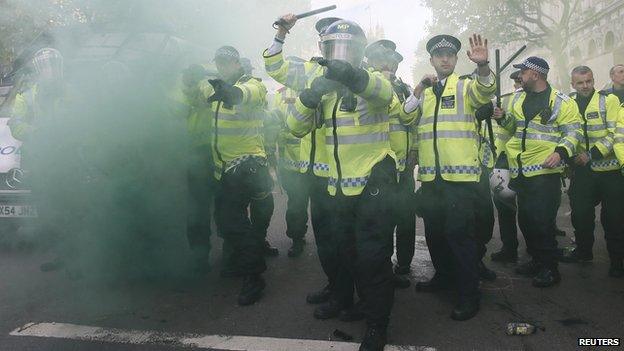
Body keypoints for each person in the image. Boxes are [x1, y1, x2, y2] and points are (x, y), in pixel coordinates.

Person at [288, 19, 397, 351]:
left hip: (373, 181)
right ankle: (350, 301)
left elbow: (382, 92)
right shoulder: (322, 89)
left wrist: (349, 75)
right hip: (337, 188)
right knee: (344, 252)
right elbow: (295, 127)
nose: (340, 56)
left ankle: (377, 326)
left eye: (347, 50)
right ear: (323, 51)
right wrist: (309, 96)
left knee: (373, 258)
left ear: (360, 53)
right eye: (334, 49)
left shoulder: (372, 80)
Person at [401, 34, 495, 321]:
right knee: (435, 235)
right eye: (439, 55)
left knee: (460, 237)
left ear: (456, 60)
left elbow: (485, 91)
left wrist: (482, 66)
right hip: (431, 179)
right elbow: (406, 116)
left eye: (450, 55)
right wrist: (418, 88)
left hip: (460, 180)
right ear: (431, 61)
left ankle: (469, 294)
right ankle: (442, 277)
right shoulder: (425, 93)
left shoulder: (466, 86)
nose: (445, 59)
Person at [186, 45, 272, 305]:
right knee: (227, 223)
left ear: (238, 64)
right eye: (219, 63)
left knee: (233, 223)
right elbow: (197, 91)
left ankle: (254, 276)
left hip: (246, 166)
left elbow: (245, 94)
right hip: (225, 169)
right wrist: (194, 78)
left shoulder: (253, 85)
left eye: (228, 63)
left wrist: (231, 92)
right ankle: (241, 263)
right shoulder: (213, 85)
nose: (224, 67)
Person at [264, 15, 341, 306]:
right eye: (325, 40)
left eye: (336, 41)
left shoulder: (357, 73)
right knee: (322, 235)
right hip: (304, 168)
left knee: (339, 236)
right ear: (321, 43)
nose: (329, 46)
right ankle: (335, 285)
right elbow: (273, 65)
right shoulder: (308, 70)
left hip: (337, 172)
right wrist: (282, 31)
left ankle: (346, 289)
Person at [492, 56, 582, 287]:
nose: (519, 76)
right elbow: (515, 128)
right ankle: (536, 260)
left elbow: (573, 133)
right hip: (521, 170)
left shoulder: (561, 101)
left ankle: (550, 269)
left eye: (522, 72)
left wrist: (560, 152)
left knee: (542, 222)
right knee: (527, 219)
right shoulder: (518, 98)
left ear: (535, 74)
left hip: (545, 171)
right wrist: (504, 119)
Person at [559, 66, 623, 278]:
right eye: (580, 82)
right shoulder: (568, 103)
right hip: (583, 172)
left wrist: (591, 154)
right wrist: (568, 161)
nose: (585, 86)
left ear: (594, 80)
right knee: (581, 215)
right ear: (573, 84)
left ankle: (618, 262)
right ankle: (584, 252)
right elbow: (566, 132)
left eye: (588, 81)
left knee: (614, 219)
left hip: (610, 171)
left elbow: (615, 133)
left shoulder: (609, 100)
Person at [364, 39, 414, 289]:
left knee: (406, 219)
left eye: (394, 63)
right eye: (384, 61)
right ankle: (381, 271)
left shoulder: (405, 88)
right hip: (380, 169)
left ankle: (403, 265)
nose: (390, 67)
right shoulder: (366, 86)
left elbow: (413, 122)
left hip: (402, 168)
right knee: (381, 223)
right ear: (371, 61)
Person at [489, 71, 522, 263]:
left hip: (522, 160)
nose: (519, 84)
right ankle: (510, 248)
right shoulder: (502, 101)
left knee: (524, 210)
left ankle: (520, 249)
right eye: (517, 81)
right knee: (505, 207)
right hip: (503, 159)